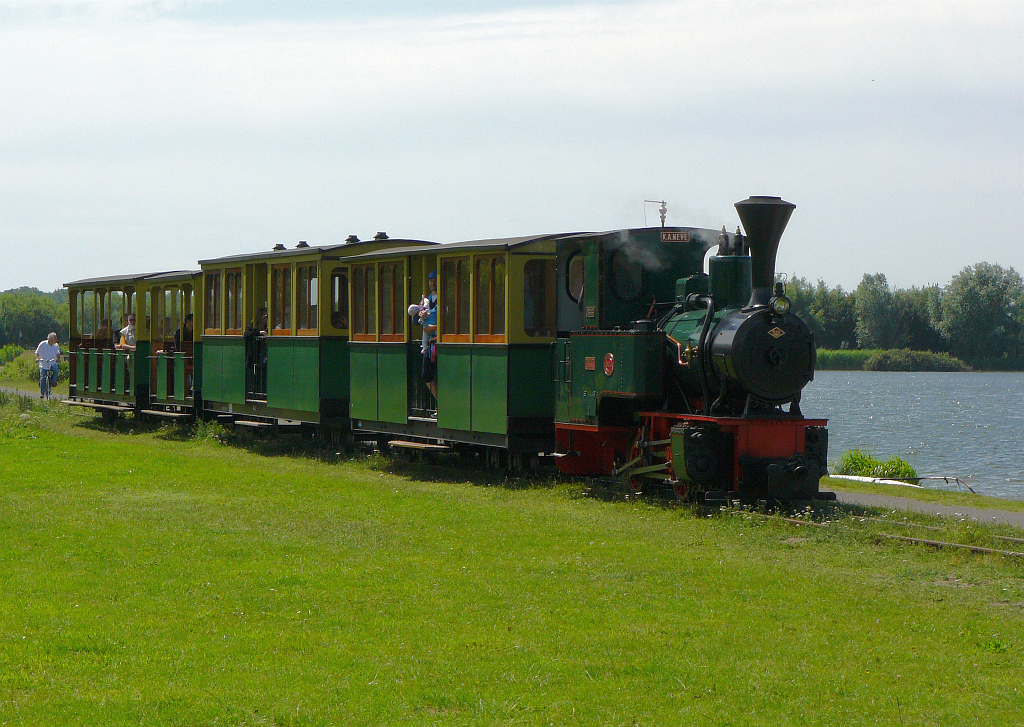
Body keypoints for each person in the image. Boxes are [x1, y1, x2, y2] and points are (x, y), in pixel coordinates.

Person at [420, 271, 438, 399]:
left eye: (435, 280)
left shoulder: (443, 299)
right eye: (430, 280)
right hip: (430, 346)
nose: (432, 283)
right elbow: (415, 320)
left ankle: (440, 407)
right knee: (426, 375)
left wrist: (435, 328)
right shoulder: (426, 300)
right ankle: (439, 401)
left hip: (439, 342)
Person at [34, 332, 62, 398]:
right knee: (42, 378)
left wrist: (58, 359)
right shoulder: (43, 344)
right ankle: (42, 393)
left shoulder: (56, 345)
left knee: (56, 370)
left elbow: (57, 353)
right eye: (55, 339)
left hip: (52, 363)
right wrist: (38, 359)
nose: (56, 340)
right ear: (51, 339)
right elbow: (37, 353)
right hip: (43, 363)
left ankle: (53, 382)